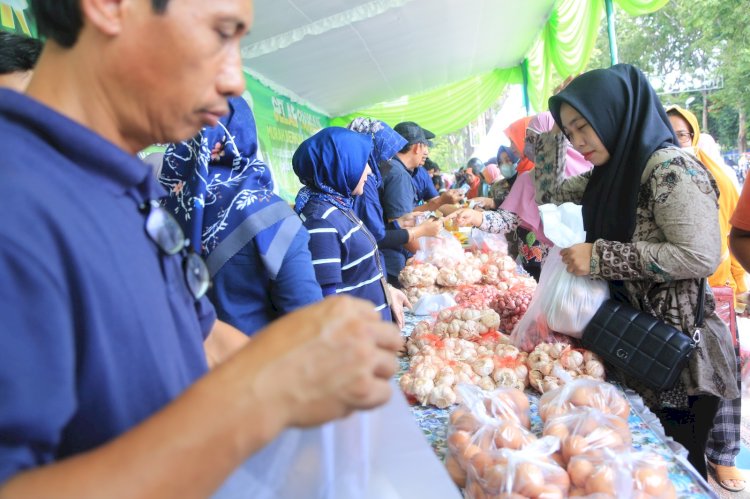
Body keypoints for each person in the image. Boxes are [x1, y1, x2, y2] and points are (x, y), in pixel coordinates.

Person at [0, 1, 401, 497]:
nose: (235, 80)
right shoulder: (15, 198)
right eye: (221, 32)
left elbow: (202, 338)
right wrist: (259, 399)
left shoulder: (127, 189)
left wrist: (309, 371)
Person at [537, 64, 738, 479]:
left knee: (676, 473)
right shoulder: (609, 175)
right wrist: (549, 138)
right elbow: (548, 190)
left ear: (614, 112)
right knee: (635, 471)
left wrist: (600, 257)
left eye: (582, 127)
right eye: (569, 133)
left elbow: (701, 255)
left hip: (678, 360)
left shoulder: (670, 170)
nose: (577, 141)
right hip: (628, 342)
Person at [159, 96, 323, 336]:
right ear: (243, 135)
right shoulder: (271, 215)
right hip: (257, 367)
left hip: (179, 366)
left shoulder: (155, 210)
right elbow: (309, 322)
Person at [667, 106, 747, 492]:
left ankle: (724, 454)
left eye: (682, 134)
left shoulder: (717, 175)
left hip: (717, 293)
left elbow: (737, 235)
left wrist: (740, 285)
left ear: (694, 136)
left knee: (726, 370)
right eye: (666, 134)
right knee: (688, 380)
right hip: (675, 297)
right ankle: (697, 454)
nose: (675, 141)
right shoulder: (657, 176)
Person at [293, 127, 409, 326]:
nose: (370, 170)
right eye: (363, 162)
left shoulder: (339, 206)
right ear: (340, 165)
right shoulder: (321, 221)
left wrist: (386, 290)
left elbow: (354, 272)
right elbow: (327, 305)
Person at [379, 121, 461, 283]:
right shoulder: (399, 175)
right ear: (417, 147)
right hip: (392, 260)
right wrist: (431, 258)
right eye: (425, 147)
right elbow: (400, 227)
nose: (427, 152)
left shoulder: (391, 167)